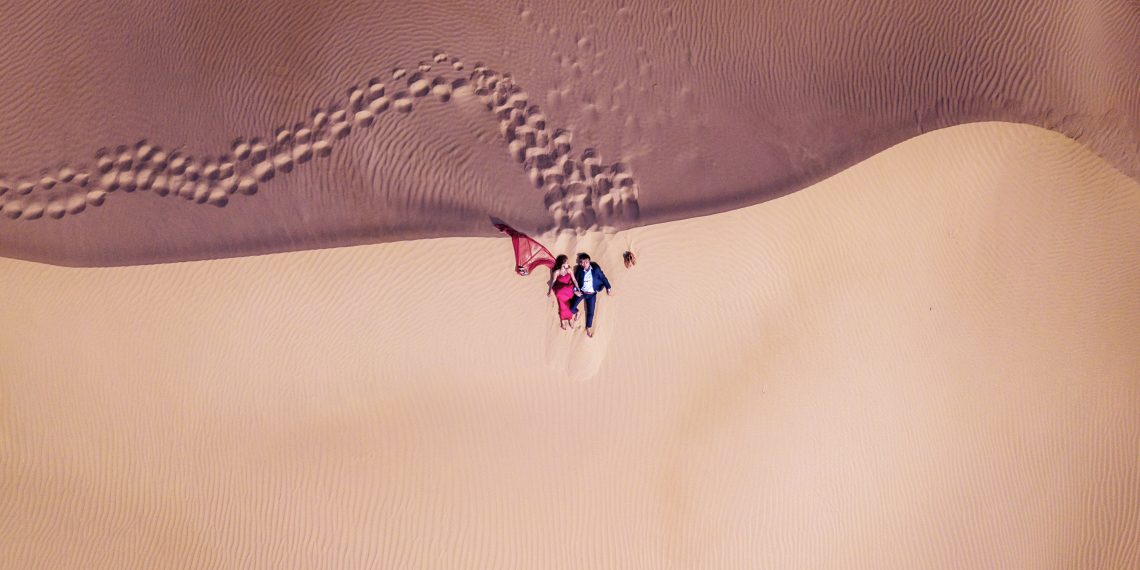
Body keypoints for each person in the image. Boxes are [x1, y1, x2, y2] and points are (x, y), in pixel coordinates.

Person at [569, 252, 612, 337]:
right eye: (581, 262)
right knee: (571, 308)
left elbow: (603, 278)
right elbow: (575, 281)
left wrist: (608, 287)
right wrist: (575, 290)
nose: (584, 264)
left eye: (586, 262)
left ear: (589, 261)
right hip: (582, 292)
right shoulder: (579, 270)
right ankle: (577, 312)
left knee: (590, 312)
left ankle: (588, 327)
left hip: (592, 294)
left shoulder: (595, 269)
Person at [547, 254, 580, 330]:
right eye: (565, 262)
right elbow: (553, 282)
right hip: (560, 289)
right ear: (561, 264)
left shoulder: (569, 270)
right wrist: (550, 291)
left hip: (569, 289)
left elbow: (574, 280)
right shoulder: (557, 272)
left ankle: (570, 318)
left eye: (567, 262)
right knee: (561, 304)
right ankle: (563, 320)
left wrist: (577, 287)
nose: (567, 264)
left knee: (568, 303)